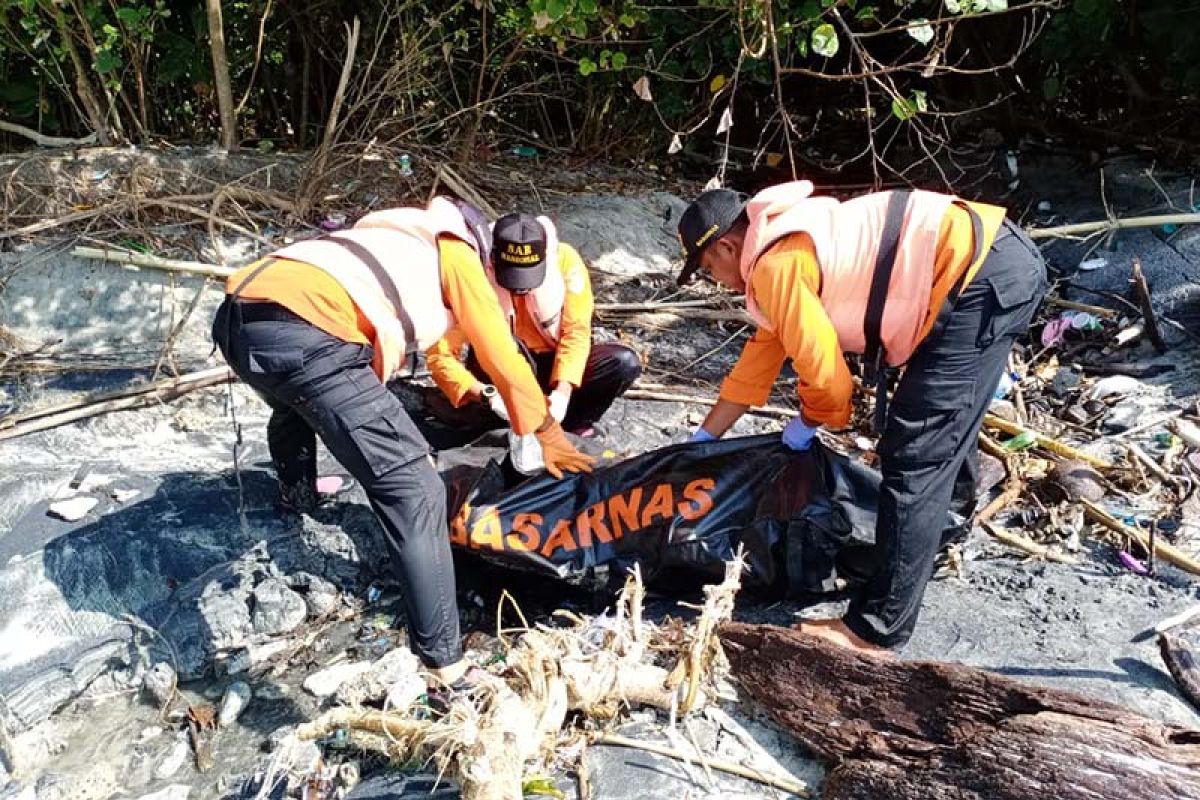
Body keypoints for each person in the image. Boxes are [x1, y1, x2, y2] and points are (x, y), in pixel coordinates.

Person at [211, 197, 594, 689]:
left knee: (292, 404)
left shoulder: (393, 235)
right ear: (482, 246)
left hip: (238, 320)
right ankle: (446, 667)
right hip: (307, 333)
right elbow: (500, 352)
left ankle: (296, 495)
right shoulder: (456, 252)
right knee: (416, 491)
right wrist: (545, 431)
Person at [676, 180, 1047, 654]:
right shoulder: (780, 244)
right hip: (990, 259)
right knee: (942, 421)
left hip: (978, 273)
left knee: (916, 450)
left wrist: (810, 421)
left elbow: (830, 382)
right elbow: (759, 361)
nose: (718, 280)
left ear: (728, 246)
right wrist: (704, 438)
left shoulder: (775, 264)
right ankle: (942, 534)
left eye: (709, 269)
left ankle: (877, 626)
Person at [427, 212, 641, 439]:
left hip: (552, 364)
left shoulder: (565, 261)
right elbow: (440, 355)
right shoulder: (470, 271)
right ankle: (503, 423)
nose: (521, 289)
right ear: (493, 259)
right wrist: (487, 394)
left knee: (622, 362)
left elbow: (576, 332)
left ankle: (573, 424)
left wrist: (563, 391)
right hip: (502, 368)